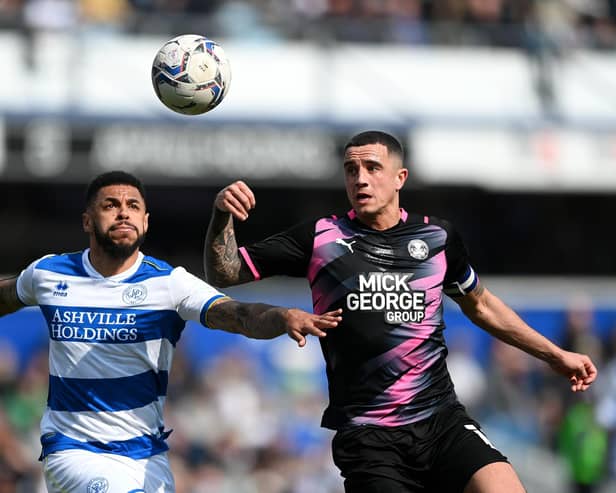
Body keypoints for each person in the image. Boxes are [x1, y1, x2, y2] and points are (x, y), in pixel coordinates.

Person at [204, 130, 598, 493]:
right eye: (351, 169)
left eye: (372, 167)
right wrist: (222, 214)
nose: (360, 178)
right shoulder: (321, 237)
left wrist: (556, 355)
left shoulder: (438, 238)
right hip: (368, 435)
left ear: (400, 177)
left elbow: (482, 305)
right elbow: (224, 272)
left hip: (441, 420)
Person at [0, 171, 342, 493]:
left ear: (146, 221)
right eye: (110, 205)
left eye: (133, 206)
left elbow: (237, 314)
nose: (123, 214)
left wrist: (282, 316)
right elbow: (5, 296)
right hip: (72, 449)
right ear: (87, 220)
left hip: (146, 456)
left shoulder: (168, 283)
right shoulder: (47, 274)